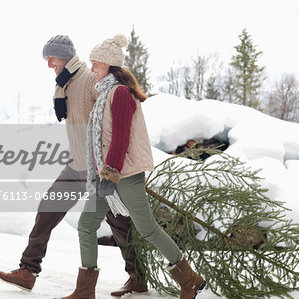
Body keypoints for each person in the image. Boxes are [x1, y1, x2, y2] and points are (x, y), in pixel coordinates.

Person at [0, 35, 148, 297]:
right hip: (76, 165)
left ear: (65, 55)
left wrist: (113, 162)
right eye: (46, 59)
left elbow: (115, 108)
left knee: (119, 223)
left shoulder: (87, 79)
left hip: (97, 168)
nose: (49, 64)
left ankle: (137, 277)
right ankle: (28, 272)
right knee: (48, 209)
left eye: (51, 58)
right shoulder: (65, 84)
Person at [60, 34, 206, 299]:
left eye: (95, 63)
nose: (91, 68)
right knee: (86, 225)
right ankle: (85, 290)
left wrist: (110, 172)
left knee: (147, 228)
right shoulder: (105, 93)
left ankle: (190, 279)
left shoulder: (120, 93)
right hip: (106, 176)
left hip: (123, 174)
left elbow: (121, 137)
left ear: (108, 64)